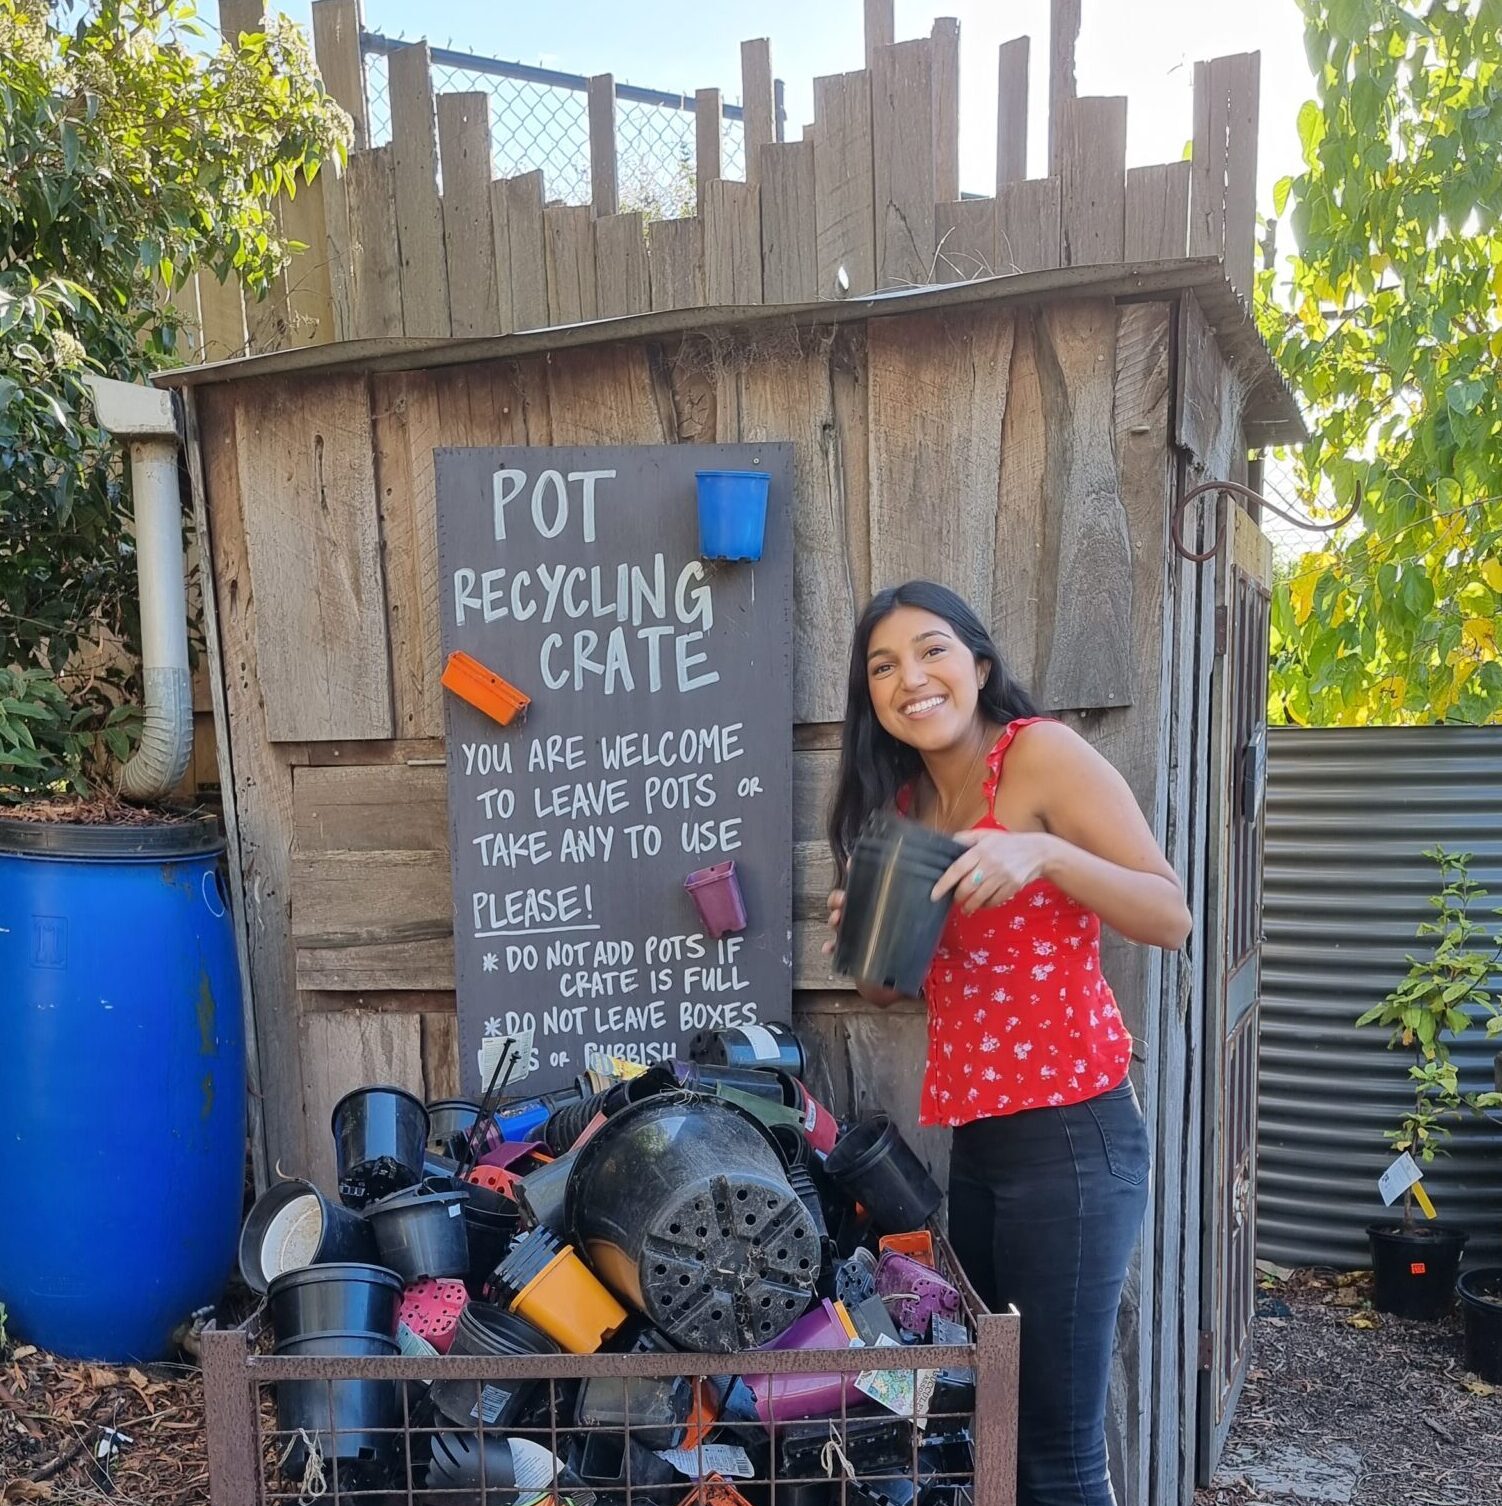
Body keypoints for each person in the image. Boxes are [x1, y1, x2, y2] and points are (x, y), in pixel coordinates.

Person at [824, 580, 1191, 1506]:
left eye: (933, 649)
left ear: (980, 666)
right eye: (883, 665)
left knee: (1055, 1452)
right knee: (993, 1421)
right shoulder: (906, 805)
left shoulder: (1039, 757)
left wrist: (1048, 856)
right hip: (983, 1145)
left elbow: (1172, 915)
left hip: (1074, 1138)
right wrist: (860, 935)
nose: (911, 676)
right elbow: (890, 987)